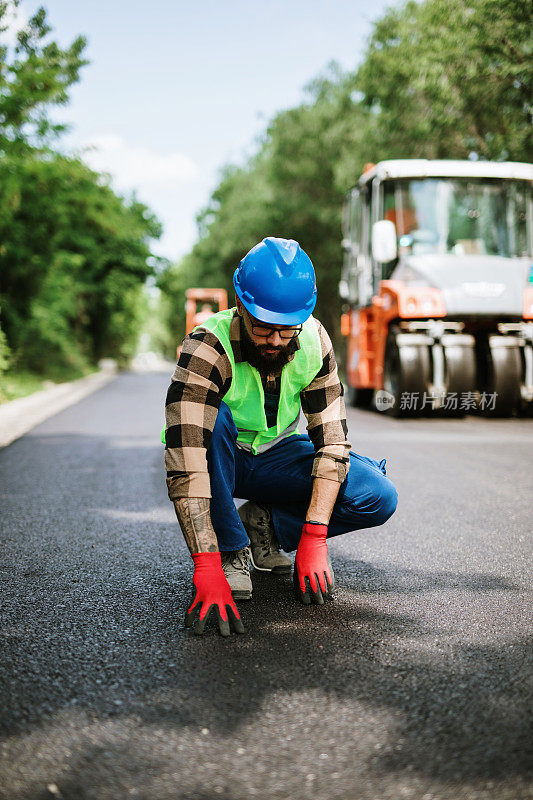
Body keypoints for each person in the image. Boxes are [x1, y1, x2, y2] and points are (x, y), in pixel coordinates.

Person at [164, 237, 398, 636]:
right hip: (221, 461)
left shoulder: (314, 341)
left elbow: (332, 443)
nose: (275, 340)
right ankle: (230, 550)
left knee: (376, 494)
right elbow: (185, 458)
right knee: (216, 420)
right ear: (240, 306)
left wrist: (313, 535)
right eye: (262, 328)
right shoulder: (206, 346)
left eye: (286, 330)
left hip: (277, 457)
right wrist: (205, 563)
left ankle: (265, 526)